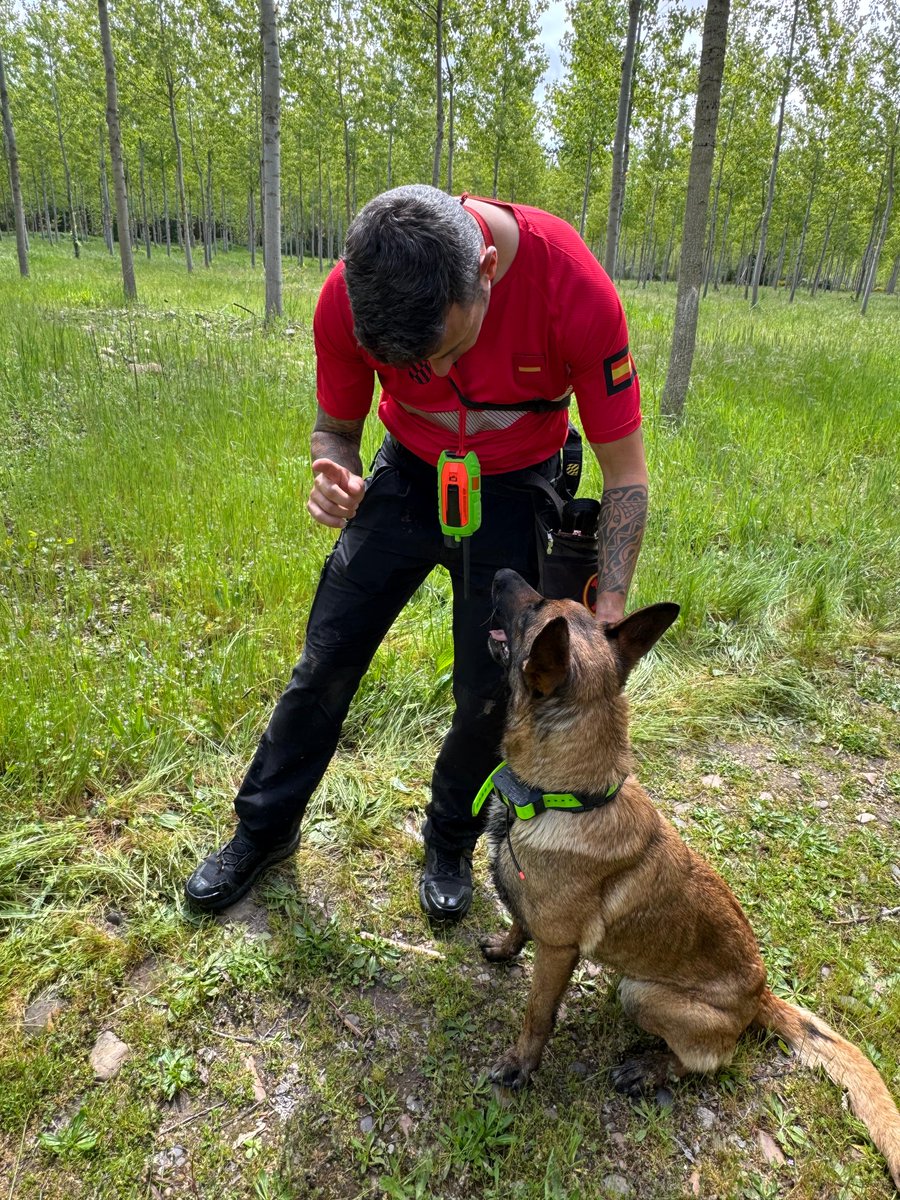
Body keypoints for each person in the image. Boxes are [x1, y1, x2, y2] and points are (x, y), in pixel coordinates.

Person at [185, 184, 648, 922]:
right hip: (404, 474)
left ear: (487, 270)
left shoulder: (574, 290)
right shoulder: (349, 293)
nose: (432, 375)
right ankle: (262, 830)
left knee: (488, 693)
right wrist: (331, 472)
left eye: (449, 350)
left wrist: (612, 610)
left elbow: (625, 473)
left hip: (515, 485)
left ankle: (449, 842)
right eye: (409, 364)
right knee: (325, 661)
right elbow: (334, 429)